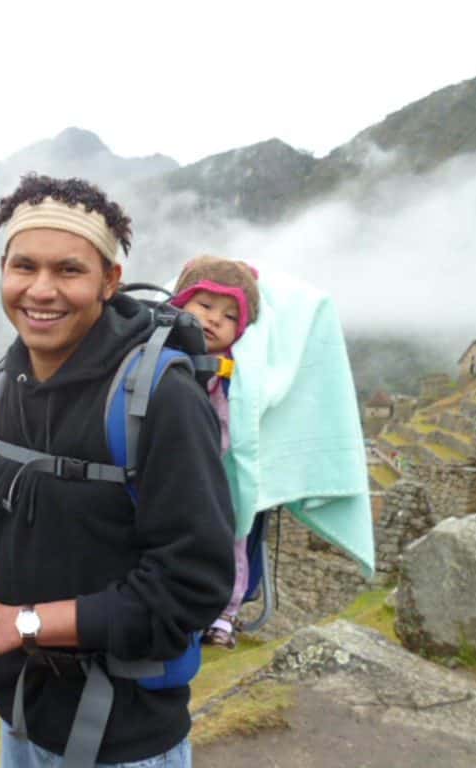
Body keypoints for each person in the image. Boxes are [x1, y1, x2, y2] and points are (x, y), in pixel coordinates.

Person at [0, 174, 235, 767]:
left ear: (110, 281)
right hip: (21, 720)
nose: (41, 290)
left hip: (127, 739)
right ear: (2, 270)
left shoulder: (162, 402)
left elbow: (189, 588)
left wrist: (15, 624)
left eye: (68, 270)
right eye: (24, 267)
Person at [169, 256, 260, 648]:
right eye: (204, 306)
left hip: (216, 475)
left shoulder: (233, 371)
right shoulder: (156, 350)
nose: (213, 320)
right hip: (166, 473)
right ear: (181, 302)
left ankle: (224, 614)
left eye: (228, 317)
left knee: (228, 540)